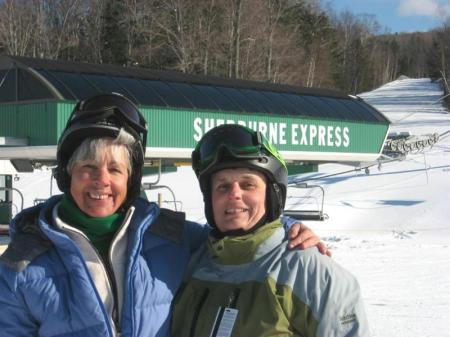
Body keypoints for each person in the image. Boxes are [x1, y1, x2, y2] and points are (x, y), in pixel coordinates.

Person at [0, 93, 326, 337]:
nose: (102, 180)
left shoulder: (168, 235)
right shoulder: (21, 263)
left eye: (115, 169)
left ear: (131, 180)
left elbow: (236, 237)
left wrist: (285, 228)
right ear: (67, 174)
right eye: (88, 168)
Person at [171, 124, 369, 337]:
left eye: (248, 185)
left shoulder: (309, 273)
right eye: (223, 186)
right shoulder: (189, 262)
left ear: (272, 196)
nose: (234, 194)